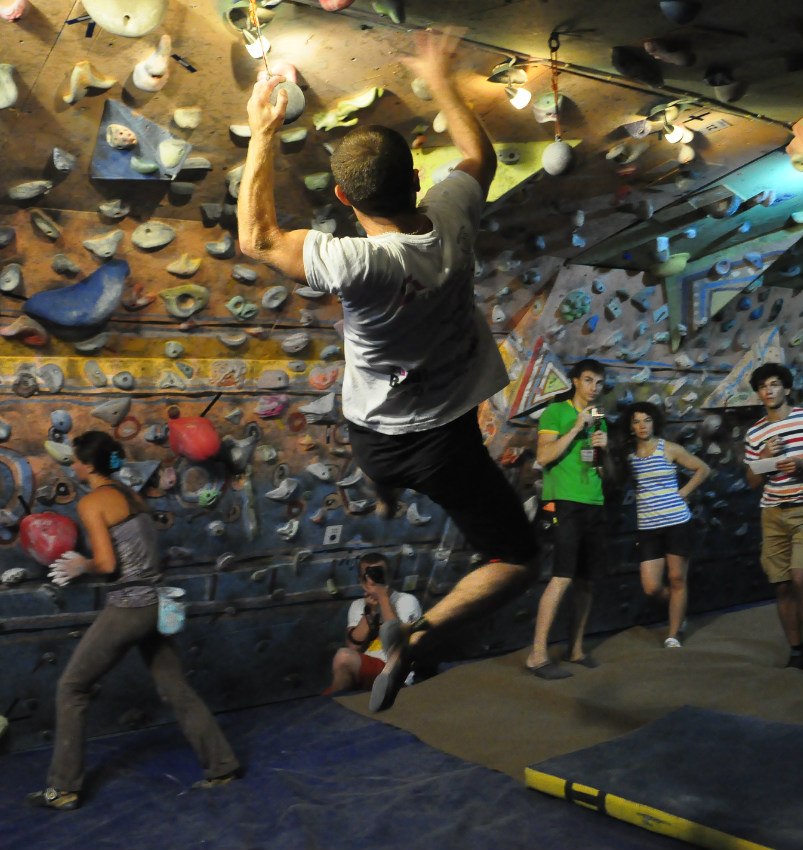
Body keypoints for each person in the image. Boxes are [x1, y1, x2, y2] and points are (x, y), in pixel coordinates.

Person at [237, 28, 537, 713]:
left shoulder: (357, 264)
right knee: (517, 560)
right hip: (445, 442)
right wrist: (441, 78)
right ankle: (418, 638)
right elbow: (477, 155)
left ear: (344, 202)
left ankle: (383, 496)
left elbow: (257, 238)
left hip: (372, 433)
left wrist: (263, 130)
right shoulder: (452, 213)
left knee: (382, 472)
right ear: (417, 180)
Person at [27, 431, 240, 810]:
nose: (72, 465)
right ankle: (222, 765)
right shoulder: (132, 496)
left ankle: (63, 788)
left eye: (75, 459)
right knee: (176, 689)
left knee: (72, 687)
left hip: (130, 606)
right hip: (159, 604)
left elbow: (109, 565)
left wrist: (82, 565)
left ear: (89, 465)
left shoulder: (94, 502)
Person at [743, 363, 803, 675]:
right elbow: (752, 481)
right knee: (782, 585)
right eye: (763, 386)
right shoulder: (756, 433)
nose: (768, 390)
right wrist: (763, 459)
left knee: (801, 577)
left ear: (786, 388)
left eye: (774, 384)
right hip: (772, 512)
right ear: (758, 393)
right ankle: (796, 650)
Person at [524, 360, 610, 679]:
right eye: (588, 380)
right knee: (562, 576)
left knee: (586, 580)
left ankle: (575, 649)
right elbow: (544, 456)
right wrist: (576, 428)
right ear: (575, 381)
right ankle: (537, 655)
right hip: (564, 503)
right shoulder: (556, 412)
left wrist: (604, 451)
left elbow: (602, 471)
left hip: (594, 502)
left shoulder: (600, 421)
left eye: (599, 383)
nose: (594, 388)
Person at [626, 401, 710, 648]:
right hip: (648, 526)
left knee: (676, 578)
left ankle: (673, 633)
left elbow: (702, 469)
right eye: (637, 421)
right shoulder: (629, 456)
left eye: (647, 420)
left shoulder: (669, 448)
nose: (642, 426)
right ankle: (679, 608)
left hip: (676, 522)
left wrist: (683, 493)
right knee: (651, 587)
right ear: (631, 426)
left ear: (655, 423)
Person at [324, 553, 423, 695]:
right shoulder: (358, 605)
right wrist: (370, 611)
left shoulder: (407, 601)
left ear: (388, 576)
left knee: (343, 657)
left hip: (396, 675)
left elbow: (399, 647)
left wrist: (383, 597)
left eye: (378, 573)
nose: (373, 579)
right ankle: (335, 705)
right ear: (361, 581)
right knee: (343, 668)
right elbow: (353, 647)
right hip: (367, 671)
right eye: (368, 575)